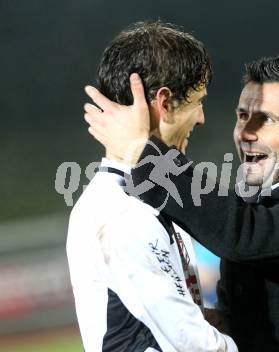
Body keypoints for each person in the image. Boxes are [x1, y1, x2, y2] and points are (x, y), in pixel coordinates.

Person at [84, 53, 279, 351]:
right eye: (242, 116)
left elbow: (249, 236)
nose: (246, 133)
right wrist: (217, 322)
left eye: (266, 119)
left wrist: (144, 153)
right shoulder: (255, 194)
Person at [67, 21, 237, 352]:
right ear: (164, 102)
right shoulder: (122, 210)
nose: (201, 118)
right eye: (197, 101)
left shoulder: (145, 193)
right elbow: (192, 342)